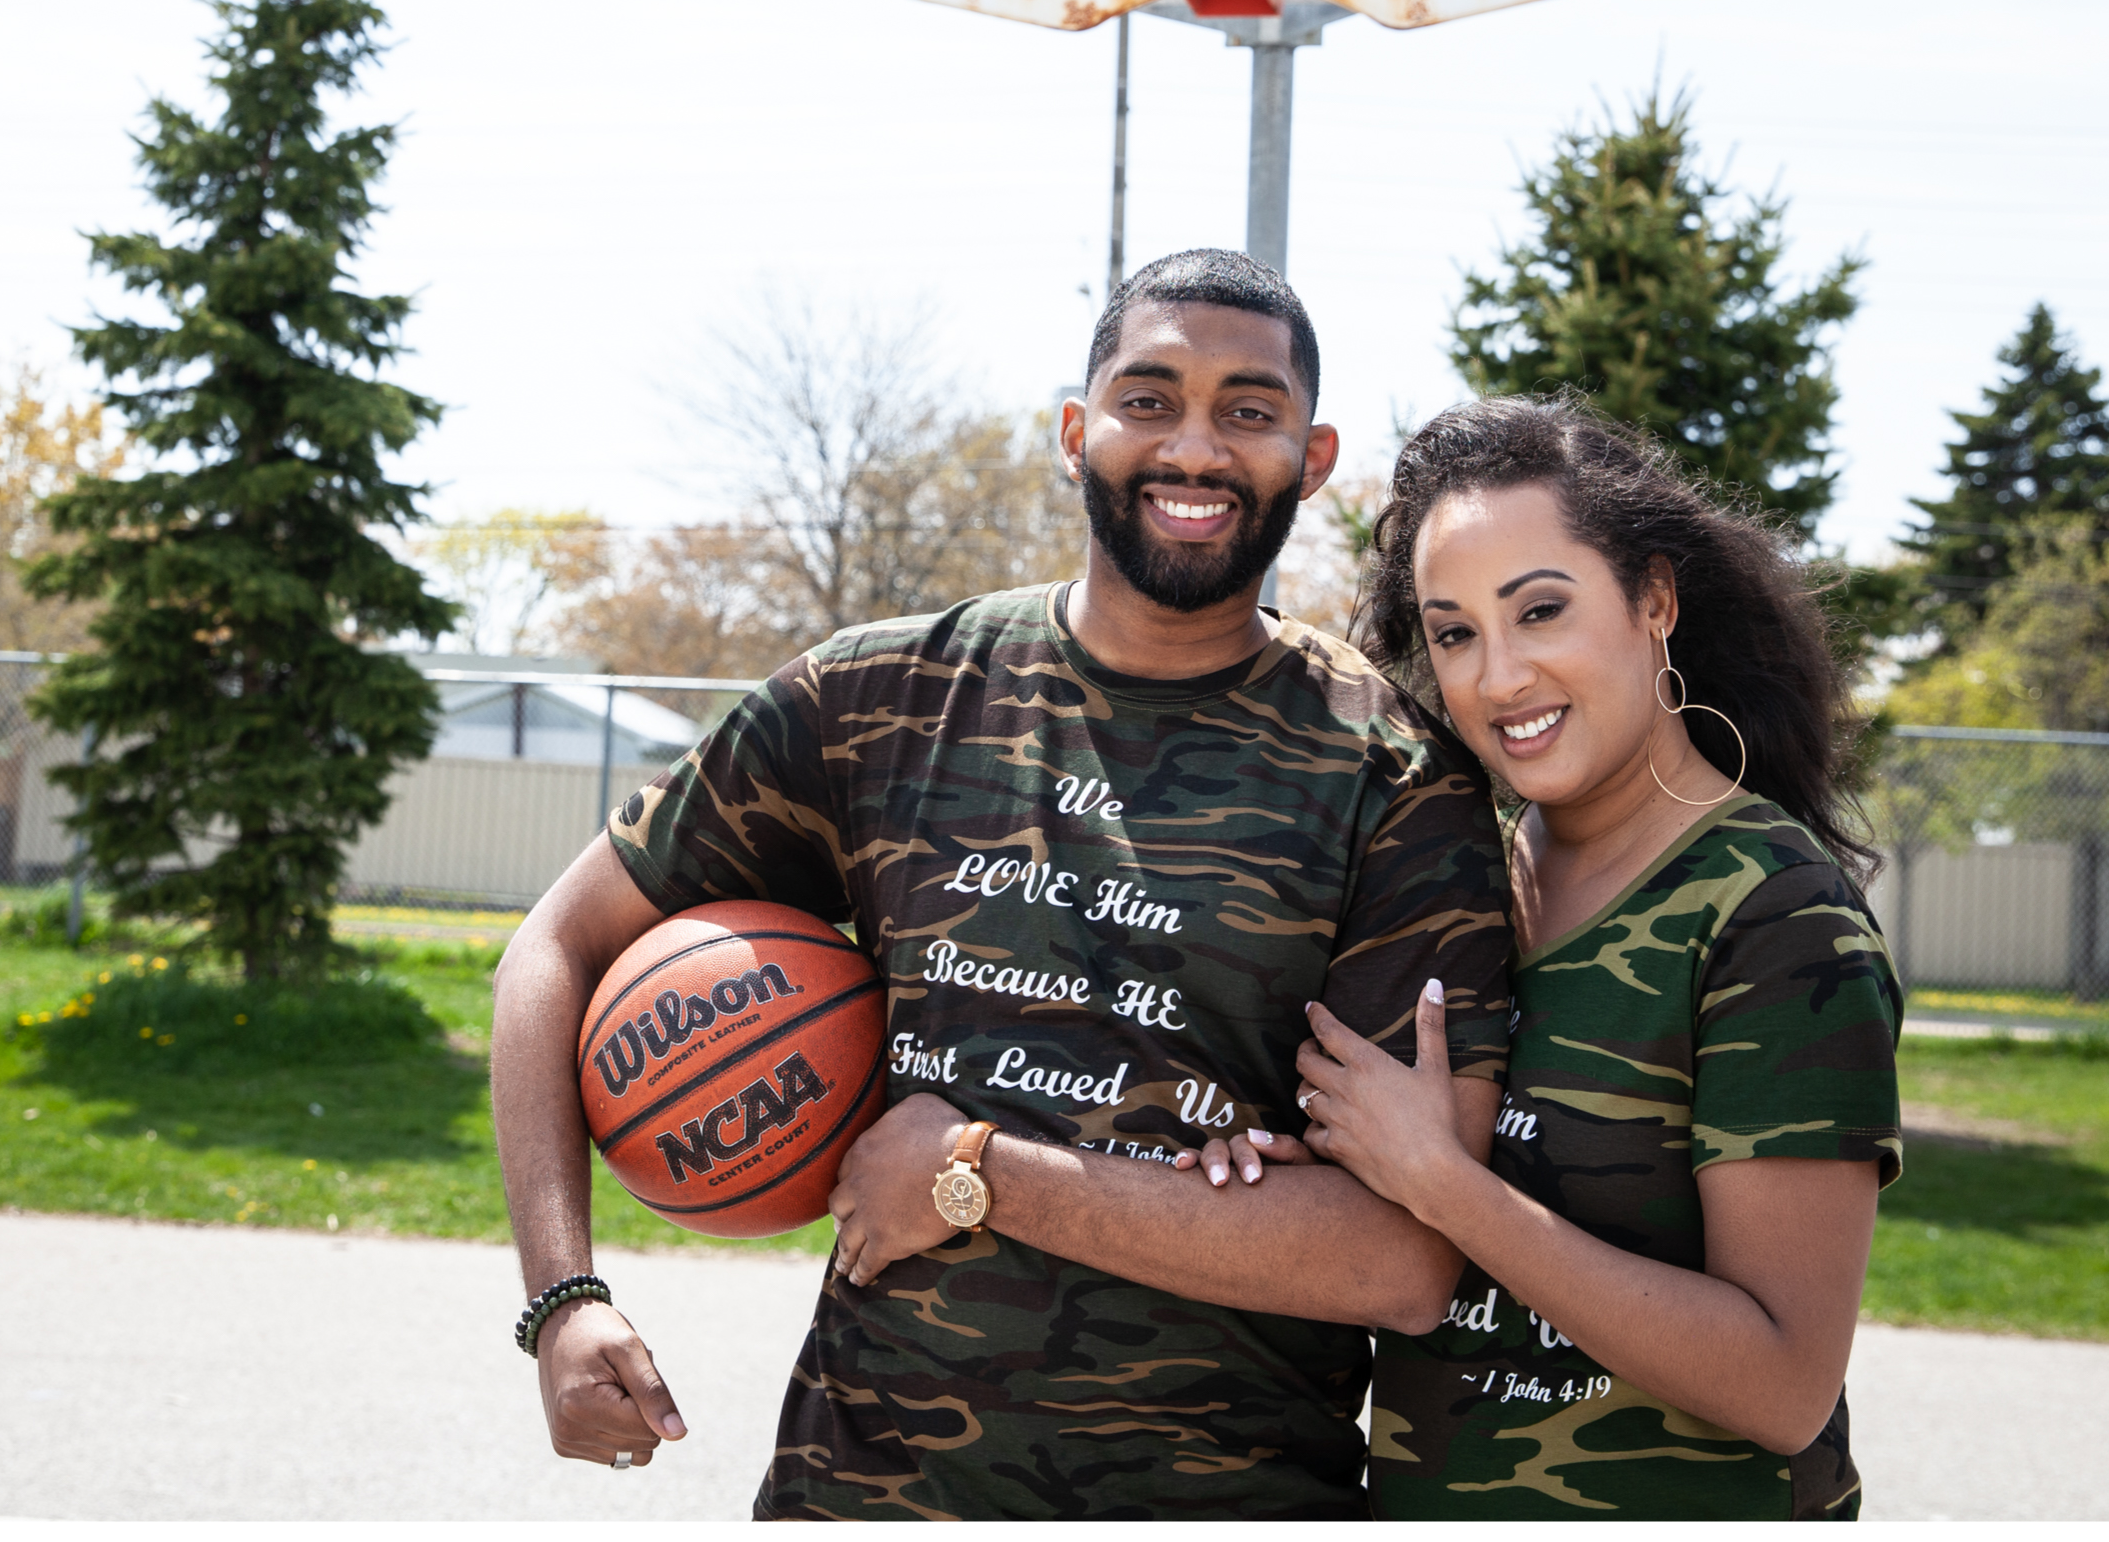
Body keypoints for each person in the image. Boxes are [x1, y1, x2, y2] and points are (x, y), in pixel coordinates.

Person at [485, 248, 1518, 1519]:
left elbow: (1401, 1257)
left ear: (1311, 458)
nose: (1193, 446)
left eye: (1248, 410)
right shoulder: (878, 701)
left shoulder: (1393, 777)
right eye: (1149, 399)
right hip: (866, 1491)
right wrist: (561, 1298)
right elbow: (556, 946)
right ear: (1076, 430)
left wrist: (972, 1169)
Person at [1182, 397, 1903, 1517]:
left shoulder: (1772, 916)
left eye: (1541, 611)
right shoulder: (1460, 886)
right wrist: (1310, 1156)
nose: (1499, 676)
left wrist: (1443, 1187)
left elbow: (1782, 1383)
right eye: (1455, 632)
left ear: (1653, 601)